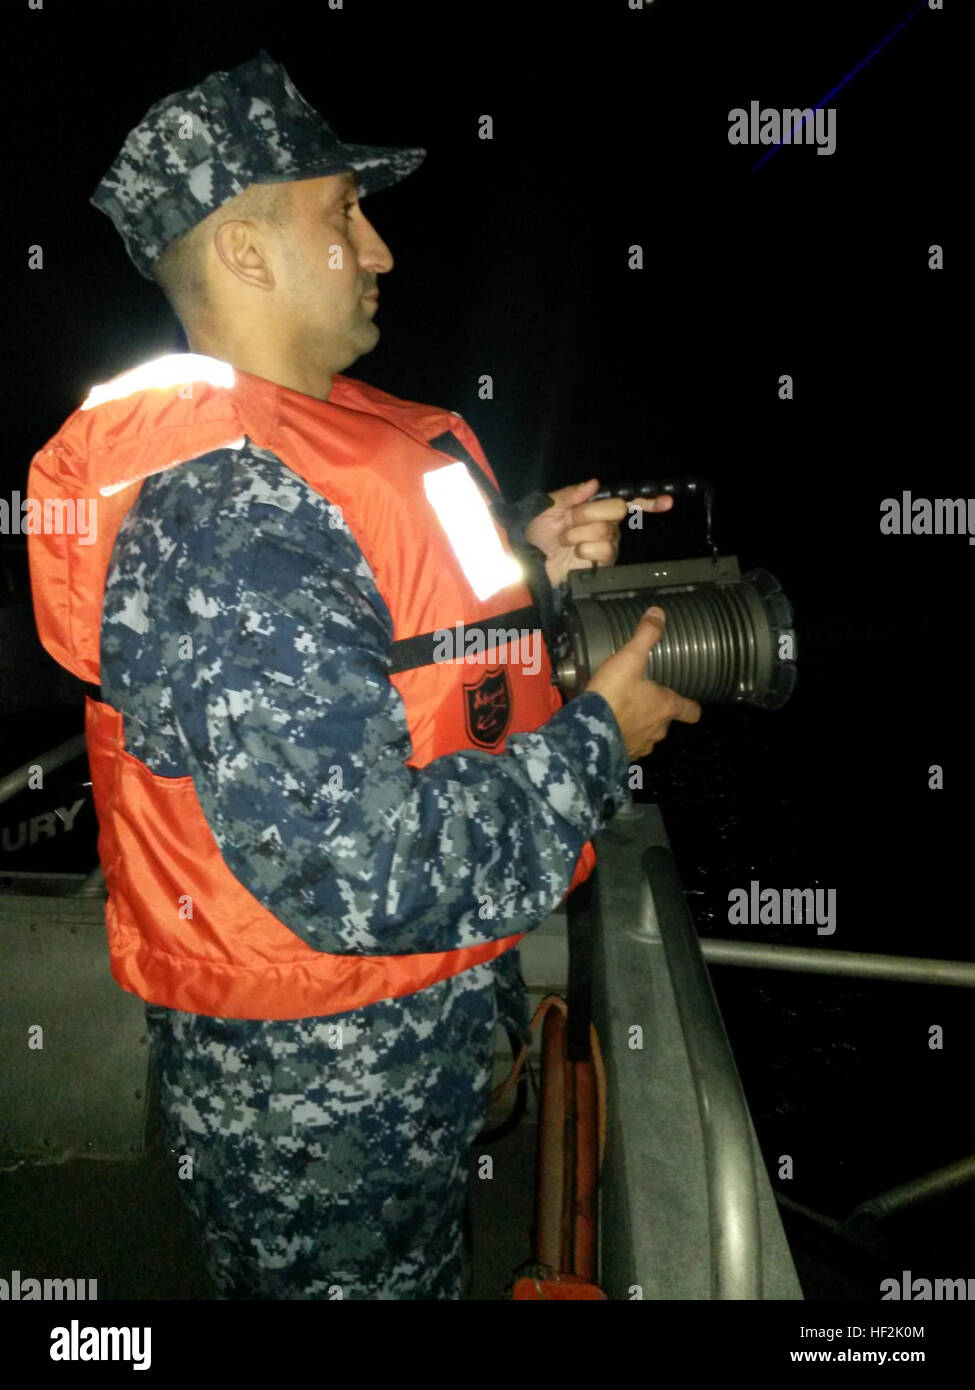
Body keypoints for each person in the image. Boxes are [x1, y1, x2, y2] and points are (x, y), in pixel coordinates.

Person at [27, 51, 701, 1299]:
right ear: (242, 250)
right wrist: (603, 736)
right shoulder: (231, 511)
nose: (380, 249)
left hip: (406, 1031)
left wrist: (533, 568)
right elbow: (365, 873)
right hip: (318, 1094)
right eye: (345, 213)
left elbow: (398, 643)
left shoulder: (326, 448)